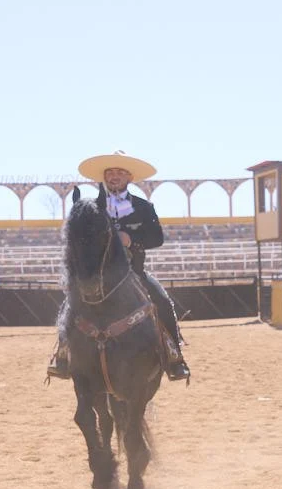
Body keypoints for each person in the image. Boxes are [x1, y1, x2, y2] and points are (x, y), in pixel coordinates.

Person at [47, 152, 191, 382]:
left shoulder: (144, 207)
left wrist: (131, 240)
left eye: (120, 173)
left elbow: (157, 238)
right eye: (110, 173)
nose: (114, 177)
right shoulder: (90, 208)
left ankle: (175, 356)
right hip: (96, 276)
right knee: (69, 303)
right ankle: (62, 354)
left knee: (162, 301)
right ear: (104, 177)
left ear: (129, 177)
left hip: (133, 273)